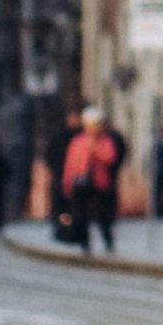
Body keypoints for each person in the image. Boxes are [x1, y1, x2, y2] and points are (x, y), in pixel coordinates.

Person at [61, 106, 123, 255]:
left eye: (97, 125)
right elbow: (71, 164)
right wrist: (67, 183)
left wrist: (95, 148)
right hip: (80, 184)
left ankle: (108, 243)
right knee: (80, 216)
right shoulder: (78, 141)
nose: (94, 128)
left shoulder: (106, 141)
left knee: (103, 215)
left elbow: (111, 158)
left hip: (100, 184)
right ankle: (85, 244)